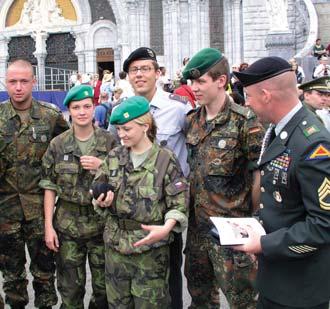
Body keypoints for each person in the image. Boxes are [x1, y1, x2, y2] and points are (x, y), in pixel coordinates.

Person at [233, 56, 330, 309]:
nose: (247, 103)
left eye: (249, 96)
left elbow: (323, 225)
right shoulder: (280, 130)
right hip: (277, 279)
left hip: (299, 288)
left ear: (266, 95)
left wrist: (264, 244)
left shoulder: (313, 143)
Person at [182, 48, 264, 308]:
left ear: (221, 81)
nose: (194, 87)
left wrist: (255, 224)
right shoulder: (192, 120)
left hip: (232, 232)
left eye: (200, 81)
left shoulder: (245, 121)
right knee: (200, 300)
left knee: (243, 302)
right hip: (198, 233)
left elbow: (258, 176)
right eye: (191, 82)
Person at [92, 95, 189, 308]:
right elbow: (98, 188)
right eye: (118, 130)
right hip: (116, 249)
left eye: (127, 129)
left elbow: (178, 202)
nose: (121, 135)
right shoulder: (114, 157)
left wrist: (167, 228)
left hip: (150, 251)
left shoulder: (164, 159)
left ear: (145, 126)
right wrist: (101, 198)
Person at [123, 46, 192, 309]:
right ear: (128, 76)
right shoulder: (122, 111)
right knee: (132, 280)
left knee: (169, 278)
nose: (139, 75)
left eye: (145, 69)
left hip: (166, 209)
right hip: (132, 211)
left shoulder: (178, 109)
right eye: (133, 70)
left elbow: (196, 146)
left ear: (158, 73)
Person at [39, 85, 117, 308]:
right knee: (70, 290)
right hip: (67, 227)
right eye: (76, 107)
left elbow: (125, 178)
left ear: (94, 108)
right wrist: (48, 227)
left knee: (104, 290)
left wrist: (103, 166)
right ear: (69, 111)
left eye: (86, 106)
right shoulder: (58, 144)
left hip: (102, 226)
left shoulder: (110, 142)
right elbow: (49, 186)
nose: (82, 112)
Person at [0, 59, 69, 308]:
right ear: (6, 83)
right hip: (5, 212)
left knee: (44, 276)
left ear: (33, 82)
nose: (18, 87)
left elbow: (68, 149)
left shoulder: (50, 117)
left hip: (41, 212)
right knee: (12, 277)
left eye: (23, 81)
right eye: (12, 81)